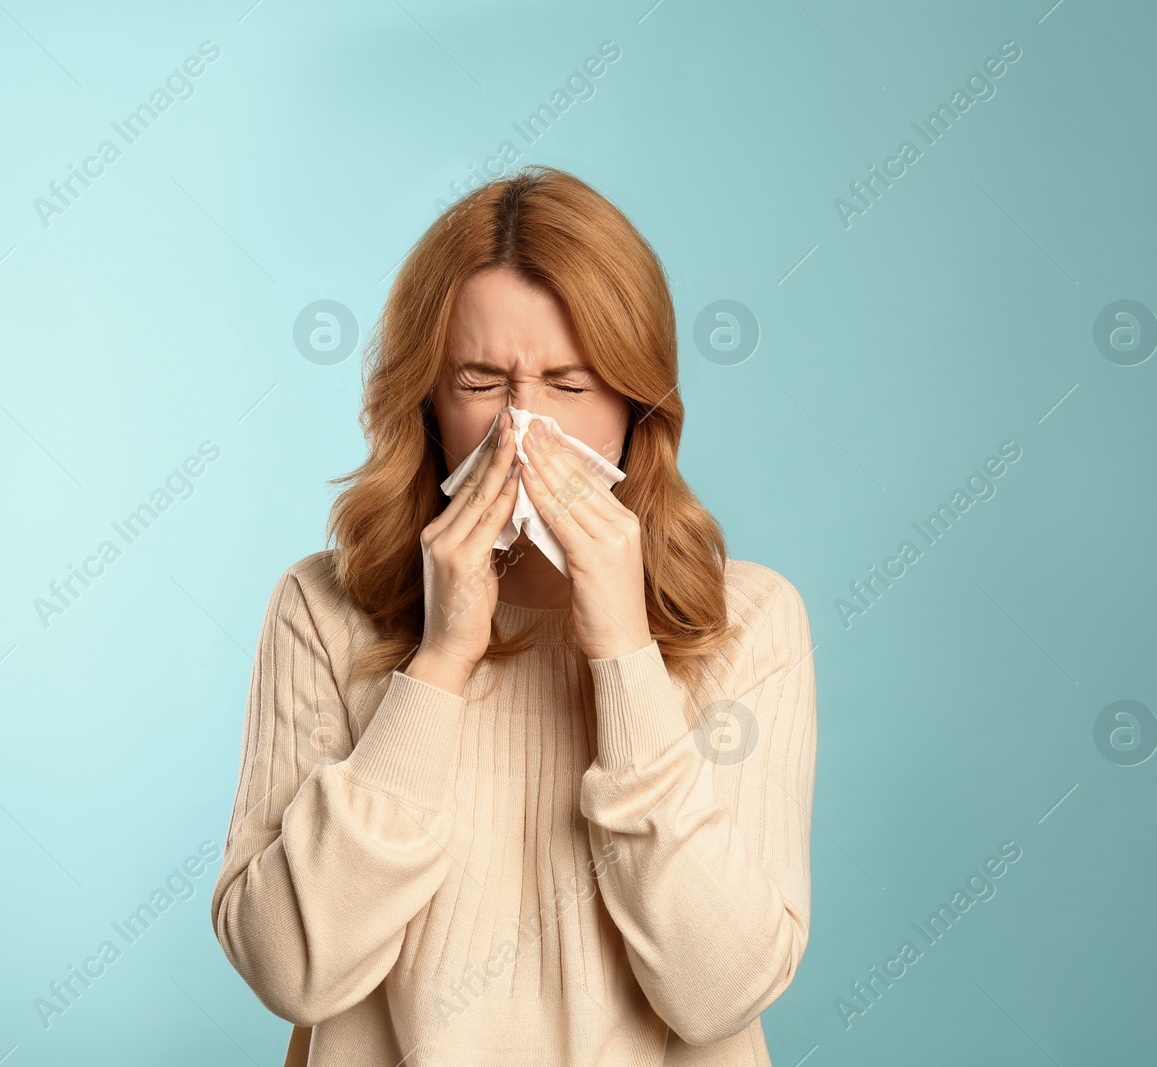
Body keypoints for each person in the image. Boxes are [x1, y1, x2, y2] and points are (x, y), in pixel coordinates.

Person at [210, 165, 817, 1066]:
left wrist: (621, 651)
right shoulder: (322, 609)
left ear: (635, 404)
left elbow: (720, 989)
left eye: (569, 386)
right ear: (427, 398)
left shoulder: (750, 622)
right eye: (484, 381)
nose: (523, 428)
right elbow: (293, 970)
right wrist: (441, 660)